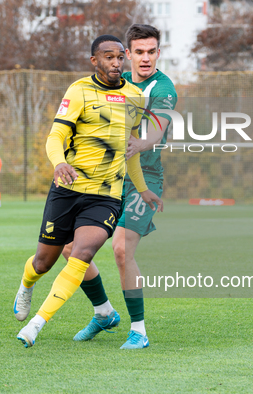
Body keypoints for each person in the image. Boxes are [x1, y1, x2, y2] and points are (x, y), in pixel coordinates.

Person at [13, 34, 163, 349]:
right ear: (94, 60)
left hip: (105, 197)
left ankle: (36, 324)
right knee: (43, 262)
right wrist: (58, 164)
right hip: (67, 190)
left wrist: (143, 189)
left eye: (119, 57)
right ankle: (27, 284)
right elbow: (55, 136)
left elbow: (130, 149)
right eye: (108, 57)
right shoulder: (79, 91)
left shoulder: (135, 96)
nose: (116, 63)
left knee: (81, 253)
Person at [61, 24, 177, 349]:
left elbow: (157, 129)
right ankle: (103, 313)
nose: (145, 58)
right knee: (70, 249)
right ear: (127, 54)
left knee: (122, 249)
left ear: (158, 53)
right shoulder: (114, 84)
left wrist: (141, 143)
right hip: (106, 178)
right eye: (138, 52)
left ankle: (139, 330)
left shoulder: (163, 88)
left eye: (151, 51)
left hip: (145, 179)